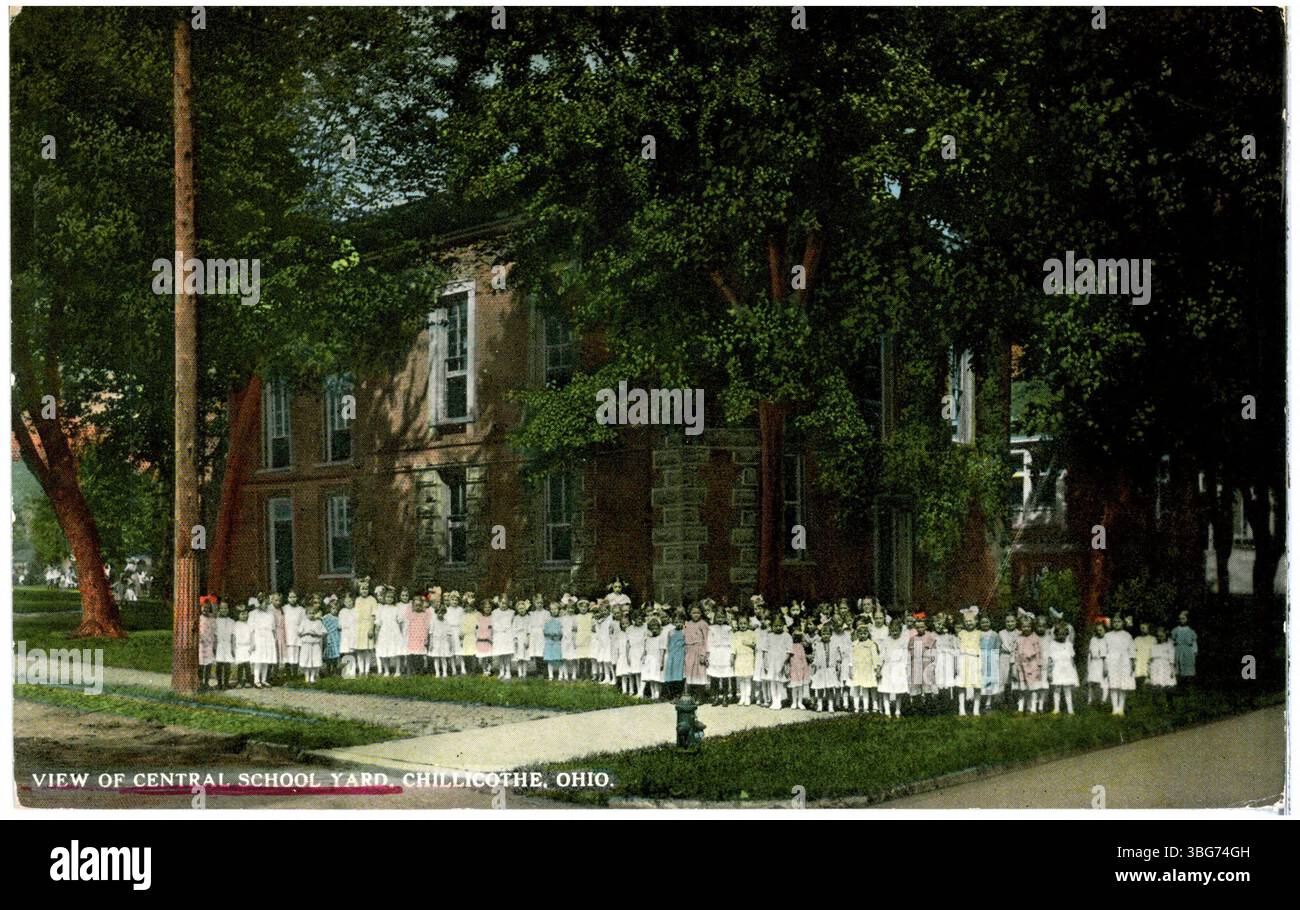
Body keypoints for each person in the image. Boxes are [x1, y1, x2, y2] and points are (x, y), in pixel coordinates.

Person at [1104, 616, 1136, 715]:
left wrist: (1132, 662)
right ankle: (1115, 708)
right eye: (1114, 622)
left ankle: (1121, 708)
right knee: (1113, 684)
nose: (1116, 623)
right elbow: (1105, 651)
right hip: (1112, 660)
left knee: (1123, 684)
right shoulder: (1107, 635)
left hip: (1124, 660)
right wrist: (1105, 664)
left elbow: (1131, 650)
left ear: (1122, 623)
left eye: (1119, 621)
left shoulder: (1127, 635)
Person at [878, 620, 911, 717]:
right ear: (890, 631)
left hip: (899, 668)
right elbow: (881, 656)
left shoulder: (903, 641)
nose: (895, 633)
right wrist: (879, 668)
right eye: (893, 631)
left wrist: (906, 668)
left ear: (900, 631)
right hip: (887, 668)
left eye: (897, 631)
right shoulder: (886, 641)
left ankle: (897, 710)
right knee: (886, 689)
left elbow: (906, 656)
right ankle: (887, 710)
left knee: (898, 690)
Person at [375, 586, 408, 677]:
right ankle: (386, 670)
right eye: (387, 597)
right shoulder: (381, 609)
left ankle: (397, 670)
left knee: (397, 651)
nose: (389, 599)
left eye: (391, 597)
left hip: (394, 632)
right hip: (384, 632)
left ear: (394, 599)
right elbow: (378, 623)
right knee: (384, 652)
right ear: (384, 597)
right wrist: (377, 634)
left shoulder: (396, 608)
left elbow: (400, 622)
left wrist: (400, 634)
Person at [1046, 624, 1079, 714]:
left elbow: (1071, 658)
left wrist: (1073, 670)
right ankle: (1056, 708)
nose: (1062, 636)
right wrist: (1049, 671)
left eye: (1064, 634)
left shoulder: (1069, 644)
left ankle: (1070, 709)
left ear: (1067, 634)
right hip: (1057, 668)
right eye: (1059, 634)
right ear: (1055, 634)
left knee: (1067, 689)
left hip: (1067, 668)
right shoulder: (1052, 644)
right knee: (1057, 689)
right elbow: (1050, 658)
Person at [957, 608, 983, 716]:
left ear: (976, 621)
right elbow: (957, 648)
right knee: (962, 685)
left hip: (976, 661)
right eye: (966, 621)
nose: (969, 623)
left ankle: (976, 709)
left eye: (971, 620)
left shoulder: (979, 633)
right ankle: (961, 708)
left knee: (977, 685)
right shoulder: (961, 633)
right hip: (963, 661)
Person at [850, 623, 880, 713]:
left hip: (868, 670)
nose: (862, 635)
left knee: (866, 688)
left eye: (864, 633)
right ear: (857, 634)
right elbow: (851, 658)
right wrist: (850, 669)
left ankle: (867, 707)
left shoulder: (871, 644)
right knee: (856, 688)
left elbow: (875, 657)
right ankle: (856, 707)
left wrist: (876, 668)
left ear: (868, 634)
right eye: (860, 633)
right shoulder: (854, 644)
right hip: (857, 670)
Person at [683, 604, 710, 698]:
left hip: (699, 650)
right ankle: (692, 695)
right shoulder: (686, 624)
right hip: (689, 651)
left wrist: (704, 654)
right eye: (693, 613)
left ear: (701, 613)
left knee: (700, 673)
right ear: (689, 613)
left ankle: (701, 696)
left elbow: (706, 640)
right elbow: (684, 637)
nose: (696, 615)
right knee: (690, 673)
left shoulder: (703, 624)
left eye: (698, 613)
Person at [249, 598, 277, 688]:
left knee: (266, 659)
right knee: (258, 660)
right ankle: (256, 680)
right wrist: (252, 642)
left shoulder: (270, 614)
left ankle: (264, 680)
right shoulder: (253, 614)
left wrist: (274, 639)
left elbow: (273, 628)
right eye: (264, 603)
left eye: (267, 604)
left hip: (268, 637)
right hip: (258, 637)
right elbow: (251, 630)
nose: (266, 605)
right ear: (259, 604)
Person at [353, 578, 379, 676]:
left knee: (367, 650)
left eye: (366, 589)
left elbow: (373, 615)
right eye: (362, 589)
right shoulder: (357, 600)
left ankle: (367, 670)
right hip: (359, 627)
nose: (364, 591)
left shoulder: (372, 600)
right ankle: (361, 670)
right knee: (360, 650)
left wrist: (371, 628)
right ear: (359, 590)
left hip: (368, 626)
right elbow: (355, 615)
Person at [731, 610, 757, 706]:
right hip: (739, 658)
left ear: (748, 623)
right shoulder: (736, 634)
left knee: (747, 678)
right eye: (741, 623)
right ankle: (742, 697)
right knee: (741, 679)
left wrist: (749, 644)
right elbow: (733, 647)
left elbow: (755, 645)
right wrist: (732, 657)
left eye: (745, 623)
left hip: (748, 658)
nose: (743, 625)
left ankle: (748, 697)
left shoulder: (752, 633)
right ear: (738, 624)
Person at [1148, 626, 1177, 702]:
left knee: (1168, 685)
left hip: (1166, 666)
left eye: (1162, 636)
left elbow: (1171, 659)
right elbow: (1150, 658)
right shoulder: (1154, 646)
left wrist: (1171, 670)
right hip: (1156, 666)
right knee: (1156, 684)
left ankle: (1169, 703)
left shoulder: (1169, 645)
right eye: (1158, 636)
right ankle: (1154, 701)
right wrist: (1149, 669)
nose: (1160, 638)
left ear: (1166, 635)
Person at [299, 607, 326, 684]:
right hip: (306, 644)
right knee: (306, 660)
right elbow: (299, 633)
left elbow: (324, 632)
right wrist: (307, 632)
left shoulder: (318, 622)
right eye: (309, 613)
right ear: (306, 614)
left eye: (313, 613)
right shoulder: (304, 622)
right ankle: (307, 676)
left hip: (315, 644)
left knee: (315, 660)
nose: (311, 615)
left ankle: (312, 676)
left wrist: (316, 634)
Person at [663, 612, 687, 699]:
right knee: (671, 675)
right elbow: (668, 644)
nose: (678, 624)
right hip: (671, 656)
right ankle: (672, 695)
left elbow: (686, 644)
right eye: (676, 622)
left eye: (680, 621)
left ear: (683, 622)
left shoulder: (684, 632)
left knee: (679, 675)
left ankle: (678, 695)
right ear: (673, 622)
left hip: (680, 655)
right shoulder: (670, 632)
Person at [406, 592, 430, 676]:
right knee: (411, 654)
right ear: (413, 605)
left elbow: (427, 626)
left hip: (421, 637)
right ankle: (411, 670)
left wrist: (426, 638)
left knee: (420, 655)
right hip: (412, 637)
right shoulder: (410, 613)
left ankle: (420, 670)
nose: (418, 607)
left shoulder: (425, 614)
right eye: (416, 605)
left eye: (420, 605)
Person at [1171, 611, 1198, 684]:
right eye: (1180, 619)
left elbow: (1194, 642)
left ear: (1187, 619)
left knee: (1187, 669)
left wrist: (1195, 652)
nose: (1181, 620)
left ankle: (1187, 686)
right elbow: (1172, 642)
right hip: (1178, 651)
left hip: (1188, 651)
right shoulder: (1175, 630)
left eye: (1183, 619)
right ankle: (1180, 685)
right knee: (1179, 668)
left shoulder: (1191, 631)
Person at [198, 597, 217, 689]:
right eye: (204, 607)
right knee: (201, 663)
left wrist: (214, 644)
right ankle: (200, 682)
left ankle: (206, 682)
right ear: (201, 608)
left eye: (207, 608)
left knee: (209, 664)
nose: (205, 610)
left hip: (209, 643)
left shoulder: (212, 619)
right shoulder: (199, 619)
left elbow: (214, 632)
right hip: (201, 644)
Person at [233, 607, 254, 688]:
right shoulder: (236, 624)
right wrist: (233, 647)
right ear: (238, 615)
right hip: (239, 647)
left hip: (247, 646)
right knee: (240, 666)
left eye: (246, 614)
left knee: (248, 666)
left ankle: (248, 681)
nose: (244, 616)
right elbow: (234, 637)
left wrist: (252, 645)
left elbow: (252, 635)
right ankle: (240, 681)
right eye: (242, 614)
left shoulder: (249, 624)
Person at [338, 593, 357, 678]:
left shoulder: (356, 610)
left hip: (353, 633)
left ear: (353, 602)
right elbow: (339, 624)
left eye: (350, 601)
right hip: (345, 634)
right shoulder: (342, 611)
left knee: (352, 652)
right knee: (346, 652)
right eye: (346, 602)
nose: (349, 603)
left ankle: (352, 671)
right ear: (344, 603)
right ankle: (346, 671)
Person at [321, 597, 341, 677]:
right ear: (329, 609)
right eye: (333, 608)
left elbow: (340, 627)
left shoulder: (338, 618)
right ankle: (328, 670)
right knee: (328, 656)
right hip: (329, 637)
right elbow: (322, 625)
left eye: (336, 609)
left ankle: (335, 670)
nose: (334, 610)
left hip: (336, 638)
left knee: (336, 656)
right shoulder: (325, 617)